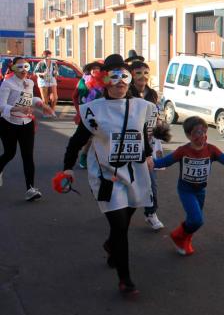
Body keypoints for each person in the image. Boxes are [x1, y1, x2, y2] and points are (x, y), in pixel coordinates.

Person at [61, 53, 156, 297]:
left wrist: (148, 154)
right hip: (107, 175)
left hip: (135, 174)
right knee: (120, 225)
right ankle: (125, 279)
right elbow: (76, 141)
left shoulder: (142, 107)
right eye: (114, 77)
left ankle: (111, 244)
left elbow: (143, 137)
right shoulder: (94, 111)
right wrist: (68, 168)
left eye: (124, 77)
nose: (120, 82)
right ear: (105, 81)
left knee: (124, 221)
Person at [153, 116, 224, 256]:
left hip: (201, 190)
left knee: (193, 219)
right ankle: (177, 236)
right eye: (197, 132)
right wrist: (147, 161)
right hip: (186, 190)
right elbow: (163, 162)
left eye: (204, 131)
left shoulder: (212, 150)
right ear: (188, 135)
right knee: (197, 219)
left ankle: (185, 240)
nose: (202, 136)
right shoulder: (182, 151)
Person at [0, 57, 55, 200]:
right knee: (9, 153)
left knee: (28, 156)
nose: (24, 70)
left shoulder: (29, 82)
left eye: (26, 67)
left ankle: (30, 189)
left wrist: (42, 104)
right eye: (20, 67)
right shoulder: (7, 84)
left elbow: (30, 98)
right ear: (13, 69)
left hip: (26, 123)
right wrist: (18, 109)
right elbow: (1, 106)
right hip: (8, 124)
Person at [128, 60, 164, 231]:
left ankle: (151, 213)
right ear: (132, 75)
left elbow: (156, 116)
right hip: (131, 145)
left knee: (151, 183)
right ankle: (120, 212)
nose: (143, 78)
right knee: (128, 183)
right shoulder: (126, 93)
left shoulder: (153, 94)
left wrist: (159, 125)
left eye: (146, 73)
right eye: (138, 74)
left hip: (149, 146)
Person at [72, 61, 104, 169]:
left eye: (98, 68)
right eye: (93, 68)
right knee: (89, 137)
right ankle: (84, 156)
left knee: (100, 137)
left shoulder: (105, 80)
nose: (95, 70)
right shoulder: (83, 81)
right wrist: (78, 111)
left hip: (101, 112)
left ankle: (98, 158)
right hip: (86, 112)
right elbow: (74, 97)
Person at [33, 50, 58, 115]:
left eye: (49, 56)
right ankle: (46, 112)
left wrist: (55, 73)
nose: (47, 58)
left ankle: (52, 110)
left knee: (55, 98)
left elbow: (56, 72)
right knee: (45, 99)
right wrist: (42, 74)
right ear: (43, 56)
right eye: (46, 56)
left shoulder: (54, 63)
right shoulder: (40, 63)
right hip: (43, 81)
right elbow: (35, 72)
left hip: (51, 80)